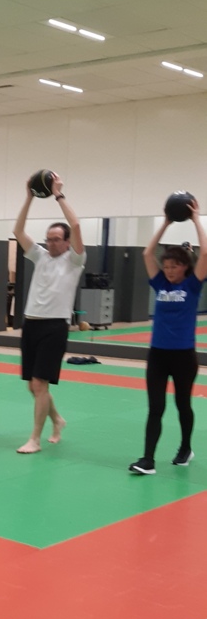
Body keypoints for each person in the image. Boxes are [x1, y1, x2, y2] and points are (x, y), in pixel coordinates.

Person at [129, 201, 207, 474]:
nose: (170, 270)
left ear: (185, 267)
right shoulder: (160, 283)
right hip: (158, 355)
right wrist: (165, 222)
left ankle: (185, 448)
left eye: (174, 266)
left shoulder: (193, 285)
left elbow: (205, 253)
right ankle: (147, 459)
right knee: (156, 407)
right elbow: (146, 253)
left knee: (182, 404)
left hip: (183, 356)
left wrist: (196, 219)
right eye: (167, 266)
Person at [13, 174, 85, 453]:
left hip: (54, 328)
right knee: (33, 386)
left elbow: (75, 225)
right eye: (49, 239)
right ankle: (57, 420)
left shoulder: (75, 260)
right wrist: (29, 197)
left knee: (39, 383)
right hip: (31, 324)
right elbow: (18, 231)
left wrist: (58, 195)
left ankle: (34, 439)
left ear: (67, 242)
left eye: (57, 239)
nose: (52, 243)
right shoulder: (40, 255)